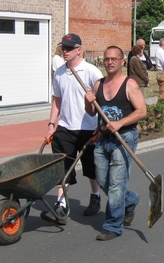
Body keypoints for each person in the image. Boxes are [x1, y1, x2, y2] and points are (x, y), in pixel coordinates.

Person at [84, 46, 147, 241]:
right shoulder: (98, 84)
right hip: (103, 139)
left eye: (114, 59)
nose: (109, 62)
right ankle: (131, 200)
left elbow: (141, 111)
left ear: (122, 62)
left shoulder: (130, 85)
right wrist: (88, 101)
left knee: (116, 184)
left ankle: (113, 225)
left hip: (125, 138)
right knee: (103, 181)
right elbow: (91, 113)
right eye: (106, 59)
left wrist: (120, 123)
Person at [41, 34, 103, 225]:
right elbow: (57, 101)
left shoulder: (91, 72)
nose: (65, 51)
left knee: (91, 168)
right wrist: (52, 124)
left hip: (88, 128)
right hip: (65, 128)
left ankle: (95, 196)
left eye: (69, 48)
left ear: (79, 50)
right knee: (63, 168)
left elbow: (102, 101)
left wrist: (100, 127)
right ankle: (61, 205)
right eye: (63, 48)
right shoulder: (59, 72)